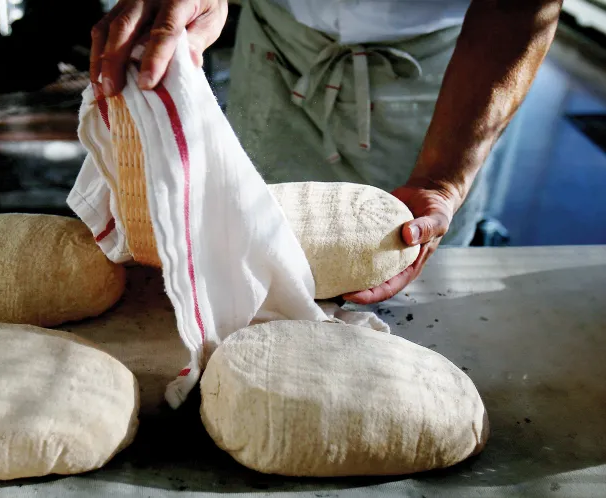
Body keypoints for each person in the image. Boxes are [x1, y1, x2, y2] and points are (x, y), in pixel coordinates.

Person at [88, 0, 562, 304]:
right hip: (280, 40)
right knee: (249, 250)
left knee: (409, 277)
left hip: (448, 65)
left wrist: (442, 180)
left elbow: (518, 7)